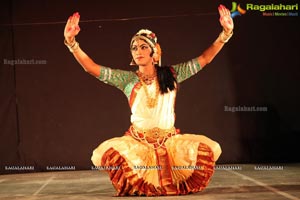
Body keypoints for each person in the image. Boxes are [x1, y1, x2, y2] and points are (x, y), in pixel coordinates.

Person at [64, 4, 234, 196]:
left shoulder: (172, 75)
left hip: (170, 144)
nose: (138, 51)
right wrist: (72, 43)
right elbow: (92, 68)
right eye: (134, 48)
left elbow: (205, 58)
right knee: (99, 155)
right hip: (139, 144)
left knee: (212, 148)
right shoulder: (127, 80)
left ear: (154, 52)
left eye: (144, 47)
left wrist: (225, 34)